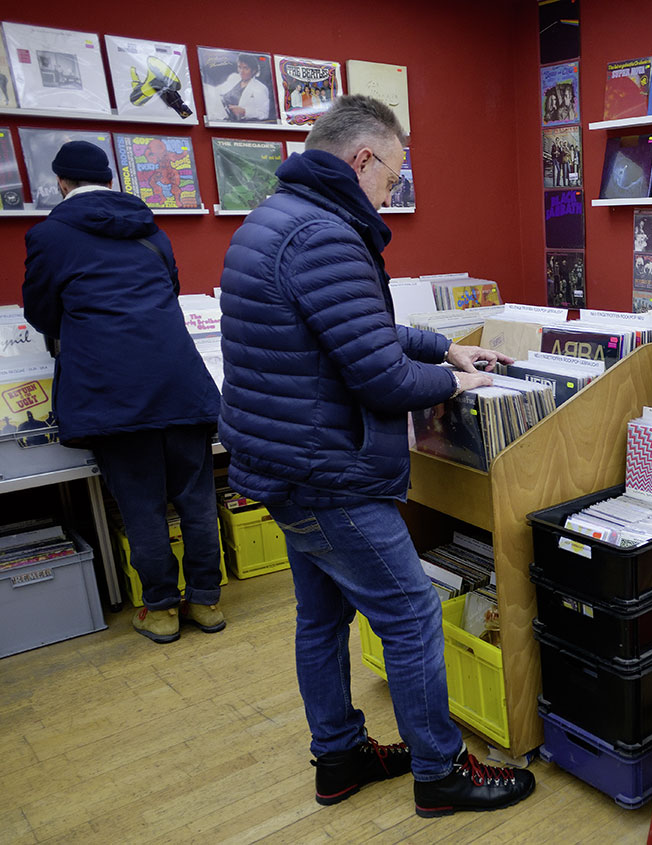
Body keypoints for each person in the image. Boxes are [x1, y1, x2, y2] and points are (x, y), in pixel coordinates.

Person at [218, 94, 534, 815]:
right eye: (392, 178)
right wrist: (456, 379)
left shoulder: (272, 219)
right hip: (328, 473)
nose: (392, 193)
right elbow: (381, 378)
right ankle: (440, 769)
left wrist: (442, 343)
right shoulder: (324, 236)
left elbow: (357, 329)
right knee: (411, 617)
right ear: (361, 158)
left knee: (320, 617)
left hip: (283, 464)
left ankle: (339, 754)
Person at [23, 141, 224, 644]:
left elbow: (42, 313)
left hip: (110, 390)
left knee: (142, 508)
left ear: (62, 183)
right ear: (110, 179)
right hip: (179, 381)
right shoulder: (150, 228)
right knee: (197, 501)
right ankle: (206, 603)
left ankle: (160, 612)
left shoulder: (48, 236)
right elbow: (169, 289)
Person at [216, 53, 272, 121]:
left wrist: (244, 111)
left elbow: (264, 114)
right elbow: (218, 90)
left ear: (253, 70)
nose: (241, 71)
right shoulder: (233, 77)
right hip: (220, 116)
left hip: (237, 123)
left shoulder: (260, 88)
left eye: (246, 68)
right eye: (239, 67)